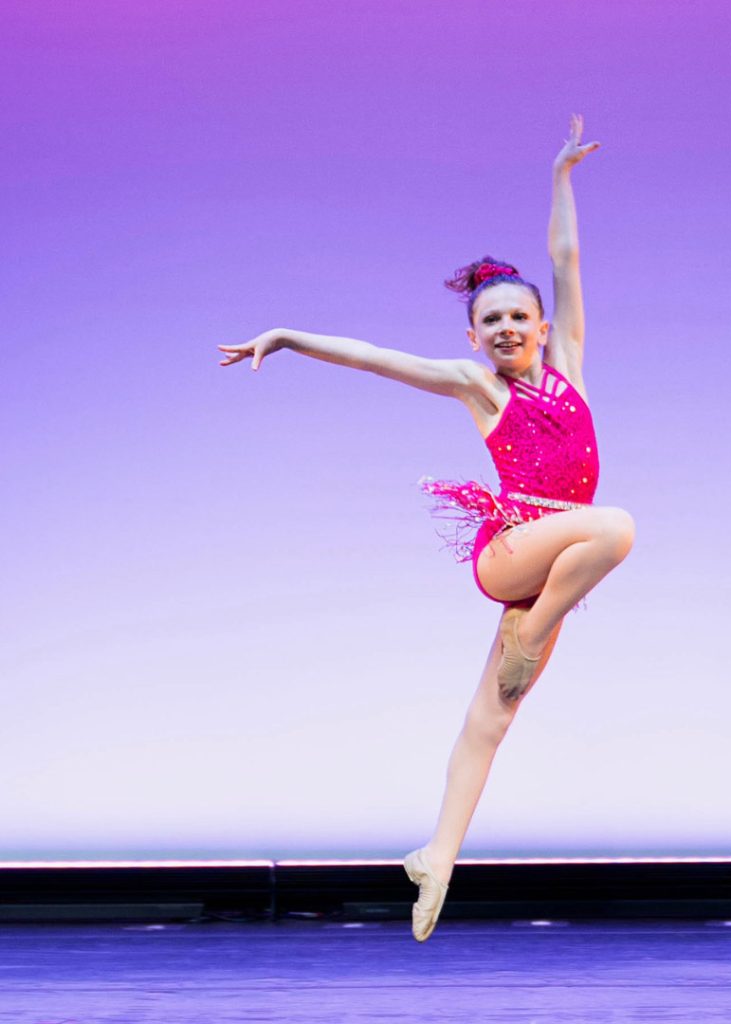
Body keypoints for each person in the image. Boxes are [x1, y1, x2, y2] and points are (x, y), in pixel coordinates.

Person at [217, 114, 635, 942]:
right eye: (493, 324)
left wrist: (559, 179)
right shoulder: (480, 389)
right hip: (513, 551)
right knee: (615, 528)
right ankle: (534, 629)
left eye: (522, 318)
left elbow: (567, 262)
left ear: (544, 328)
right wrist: (289, 338)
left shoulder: (572, 366)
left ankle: (436, 858)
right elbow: (374, 357)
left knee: (494, 716)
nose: (509, 330)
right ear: (474, 338)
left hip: (555, 561)